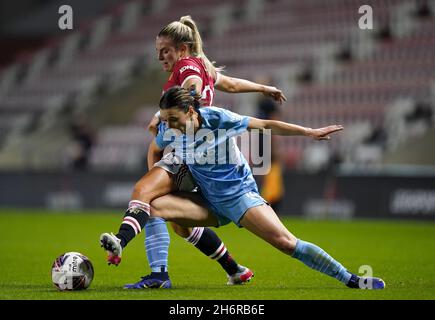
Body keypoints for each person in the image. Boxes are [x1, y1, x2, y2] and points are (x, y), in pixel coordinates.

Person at [102, 86, 385, 289]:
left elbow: (264, 124)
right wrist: (157, 172)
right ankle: (154, 271)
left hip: (240, 198)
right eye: (165, 120)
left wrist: (309, 132)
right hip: (206, 201)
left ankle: (350, 279)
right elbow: (156, 145)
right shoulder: (169, 127)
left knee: (287, 243)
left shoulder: (218, 119)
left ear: (190, 111)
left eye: (173, 119)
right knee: (151, 206)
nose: (169, 126)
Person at [100, 15, 287, 289]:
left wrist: (159, 113)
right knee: (179, 224)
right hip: (199, 157)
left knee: (144, 193)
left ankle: (131, 251)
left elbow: (192, 91)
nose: (161, 57)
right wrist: (263, 87)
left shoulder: (187, 68)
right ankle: (234, 269)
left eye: (166, 51)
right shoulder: (203, 65)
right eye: (158, 52)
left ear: (182, 49)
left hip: (188, 155)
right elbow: (232, 85)